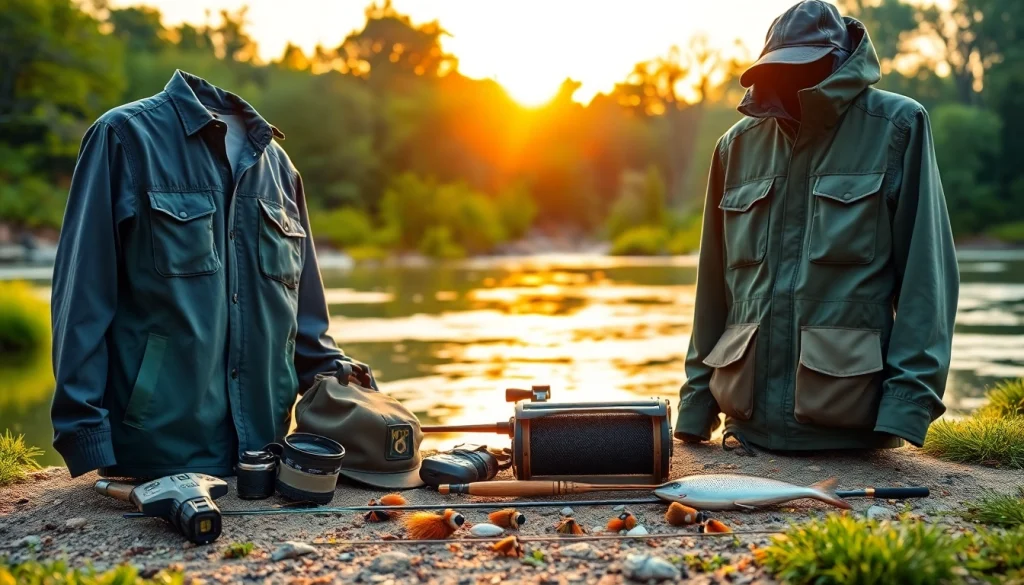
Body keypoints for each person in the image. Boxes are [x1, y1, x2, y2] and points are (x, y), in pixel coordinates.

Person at [50, 70, 377, 479]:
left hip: (267, 455)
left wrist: (364, 412)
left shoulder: (280, 167)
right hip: (154, 453)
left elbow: (308, 325)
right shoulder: (124, 137)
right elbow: (82, 299)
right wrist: (85, 438)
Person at [674, 0, 959, 452]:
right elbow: (713, 288)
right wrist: (695, 408)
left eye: (806, 65)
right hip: (745, 432)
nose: (791, 78)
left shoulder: (897, 126)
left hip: (851, 429)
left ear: (838, 60)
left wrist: (906, 406)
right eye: (780, 68)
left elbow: (927, 279)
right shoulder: (736, 147)